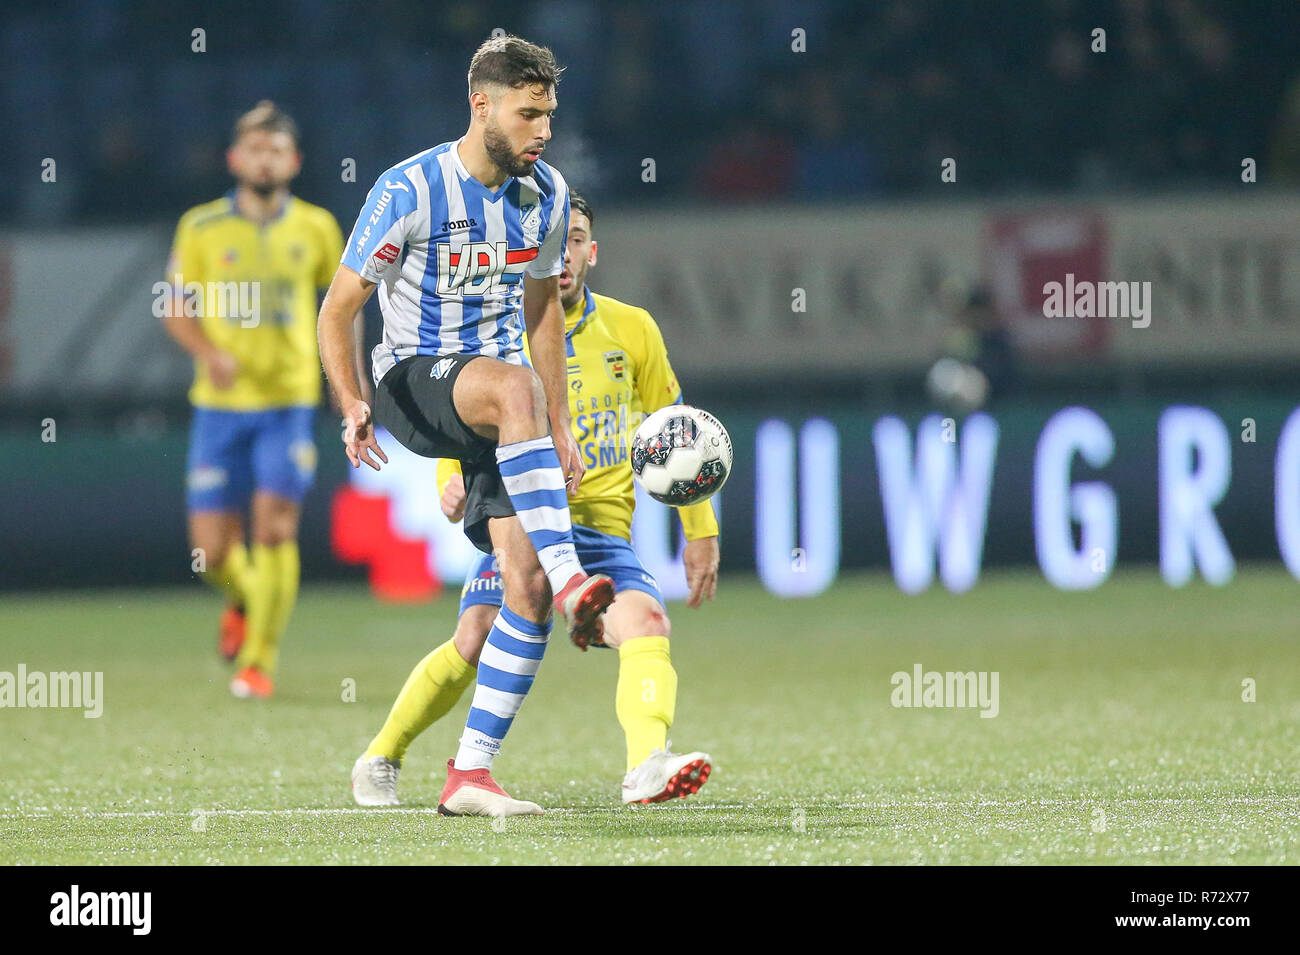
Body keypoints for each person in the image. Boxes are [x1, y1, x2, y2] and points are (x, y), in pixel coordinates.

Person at [316, 36, 615, 816]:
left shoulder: (546, 194)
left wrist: (562, 426)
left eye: (549, 114)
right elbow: (339, 308)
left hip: (499, 406)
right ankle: (577, 570)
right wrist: (350, 400)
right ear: (481, 104)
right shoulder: (408, 188)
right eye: (529, 114)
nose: (543, 130)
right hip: (411, 381)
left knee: (524, 590)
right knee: (513, 389)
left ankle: (469, 774)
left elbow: (543, 309)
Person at [352, 192, 720, 813]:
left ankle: (646, 767)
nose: (566, 252)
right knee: (475, 636)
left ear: (591, 252)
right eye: (558, 240)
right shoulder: (496, 332)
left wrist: (700, 528)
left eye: (577, 239)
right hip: (523, 521)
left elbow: (675, 430)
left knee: (648, 625)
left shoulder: (633, 330)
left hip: (601, 530)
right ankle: (381, 756)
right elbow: (467, 408)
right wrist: (450, 470)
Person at [162, 101, 349, 700]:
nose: (264, 159)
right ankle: (243, 595)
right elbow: (173, 304)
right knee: (210, 553)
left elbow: (342, 307)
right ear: (234, 159)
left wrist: (348, 383)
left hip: (287, 403)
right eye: (254, 149)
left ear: (292, 161)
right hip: (219, 408)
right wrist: (209, 353)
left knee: (275, 531)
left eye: (276, 150)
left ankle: (258, 661)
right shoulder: (200, 227)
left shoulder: (317, 226)